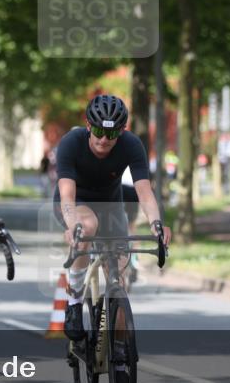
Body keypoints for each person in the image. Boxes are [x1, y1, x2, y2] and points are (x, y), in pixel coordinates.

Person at [54, 94, 172, 341]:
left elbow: (145, 192)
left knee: (119, 279)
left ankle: (118, 351)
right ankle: (74, 301)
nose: (104, 139)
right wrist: (71, 223)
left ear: (122, 131)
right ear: (88, 126)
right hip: (77, 202)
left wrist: (156, 224)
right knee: (87, 226)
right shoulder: (71, 143)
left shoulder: (131, 145)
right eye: (98, 131)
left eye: (112, 134)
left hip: (110, 204)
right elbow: (66, 193)